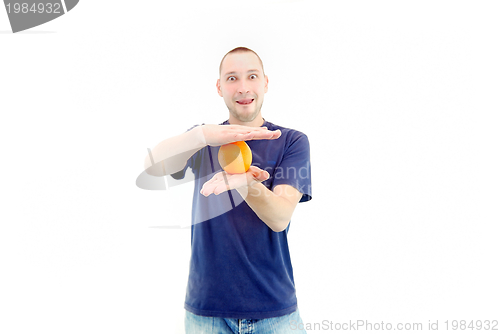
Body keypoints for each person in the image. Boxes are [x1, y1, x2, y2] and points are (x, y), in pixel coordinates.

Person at [144, 47, 312, 334]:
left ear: (266, 83)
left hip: (275, 311)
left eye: (252, 76)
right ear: (220, 87)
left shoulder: (291, 141)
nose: (243, 87)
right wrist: (200, 135)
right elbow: (152, 166)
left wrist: (246, 183)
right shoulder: (205, 139)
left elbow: (280, 217)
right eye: (232, 78)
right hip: (207, 313)